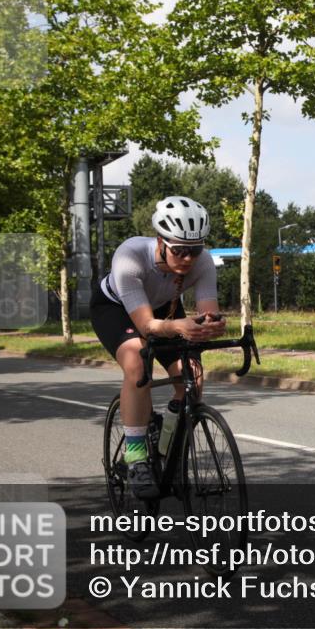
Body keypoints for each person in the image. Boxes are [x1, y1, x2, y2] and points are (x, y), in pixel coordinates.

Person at [91, 196, 225, 498]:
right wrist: (180, 326)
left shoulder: (202, 262)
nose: (188, 258)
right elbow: (147, 326)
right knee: (138, 363)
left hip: (166, 308)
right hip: (117, 310)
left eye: (195, 249)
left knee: (193, 374)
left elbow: (206, 312)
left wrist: (212, 326)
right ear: (160, 241)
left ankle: (167, 451)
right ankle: (137, 457)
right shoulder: (130, 257)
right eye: (179, 250)